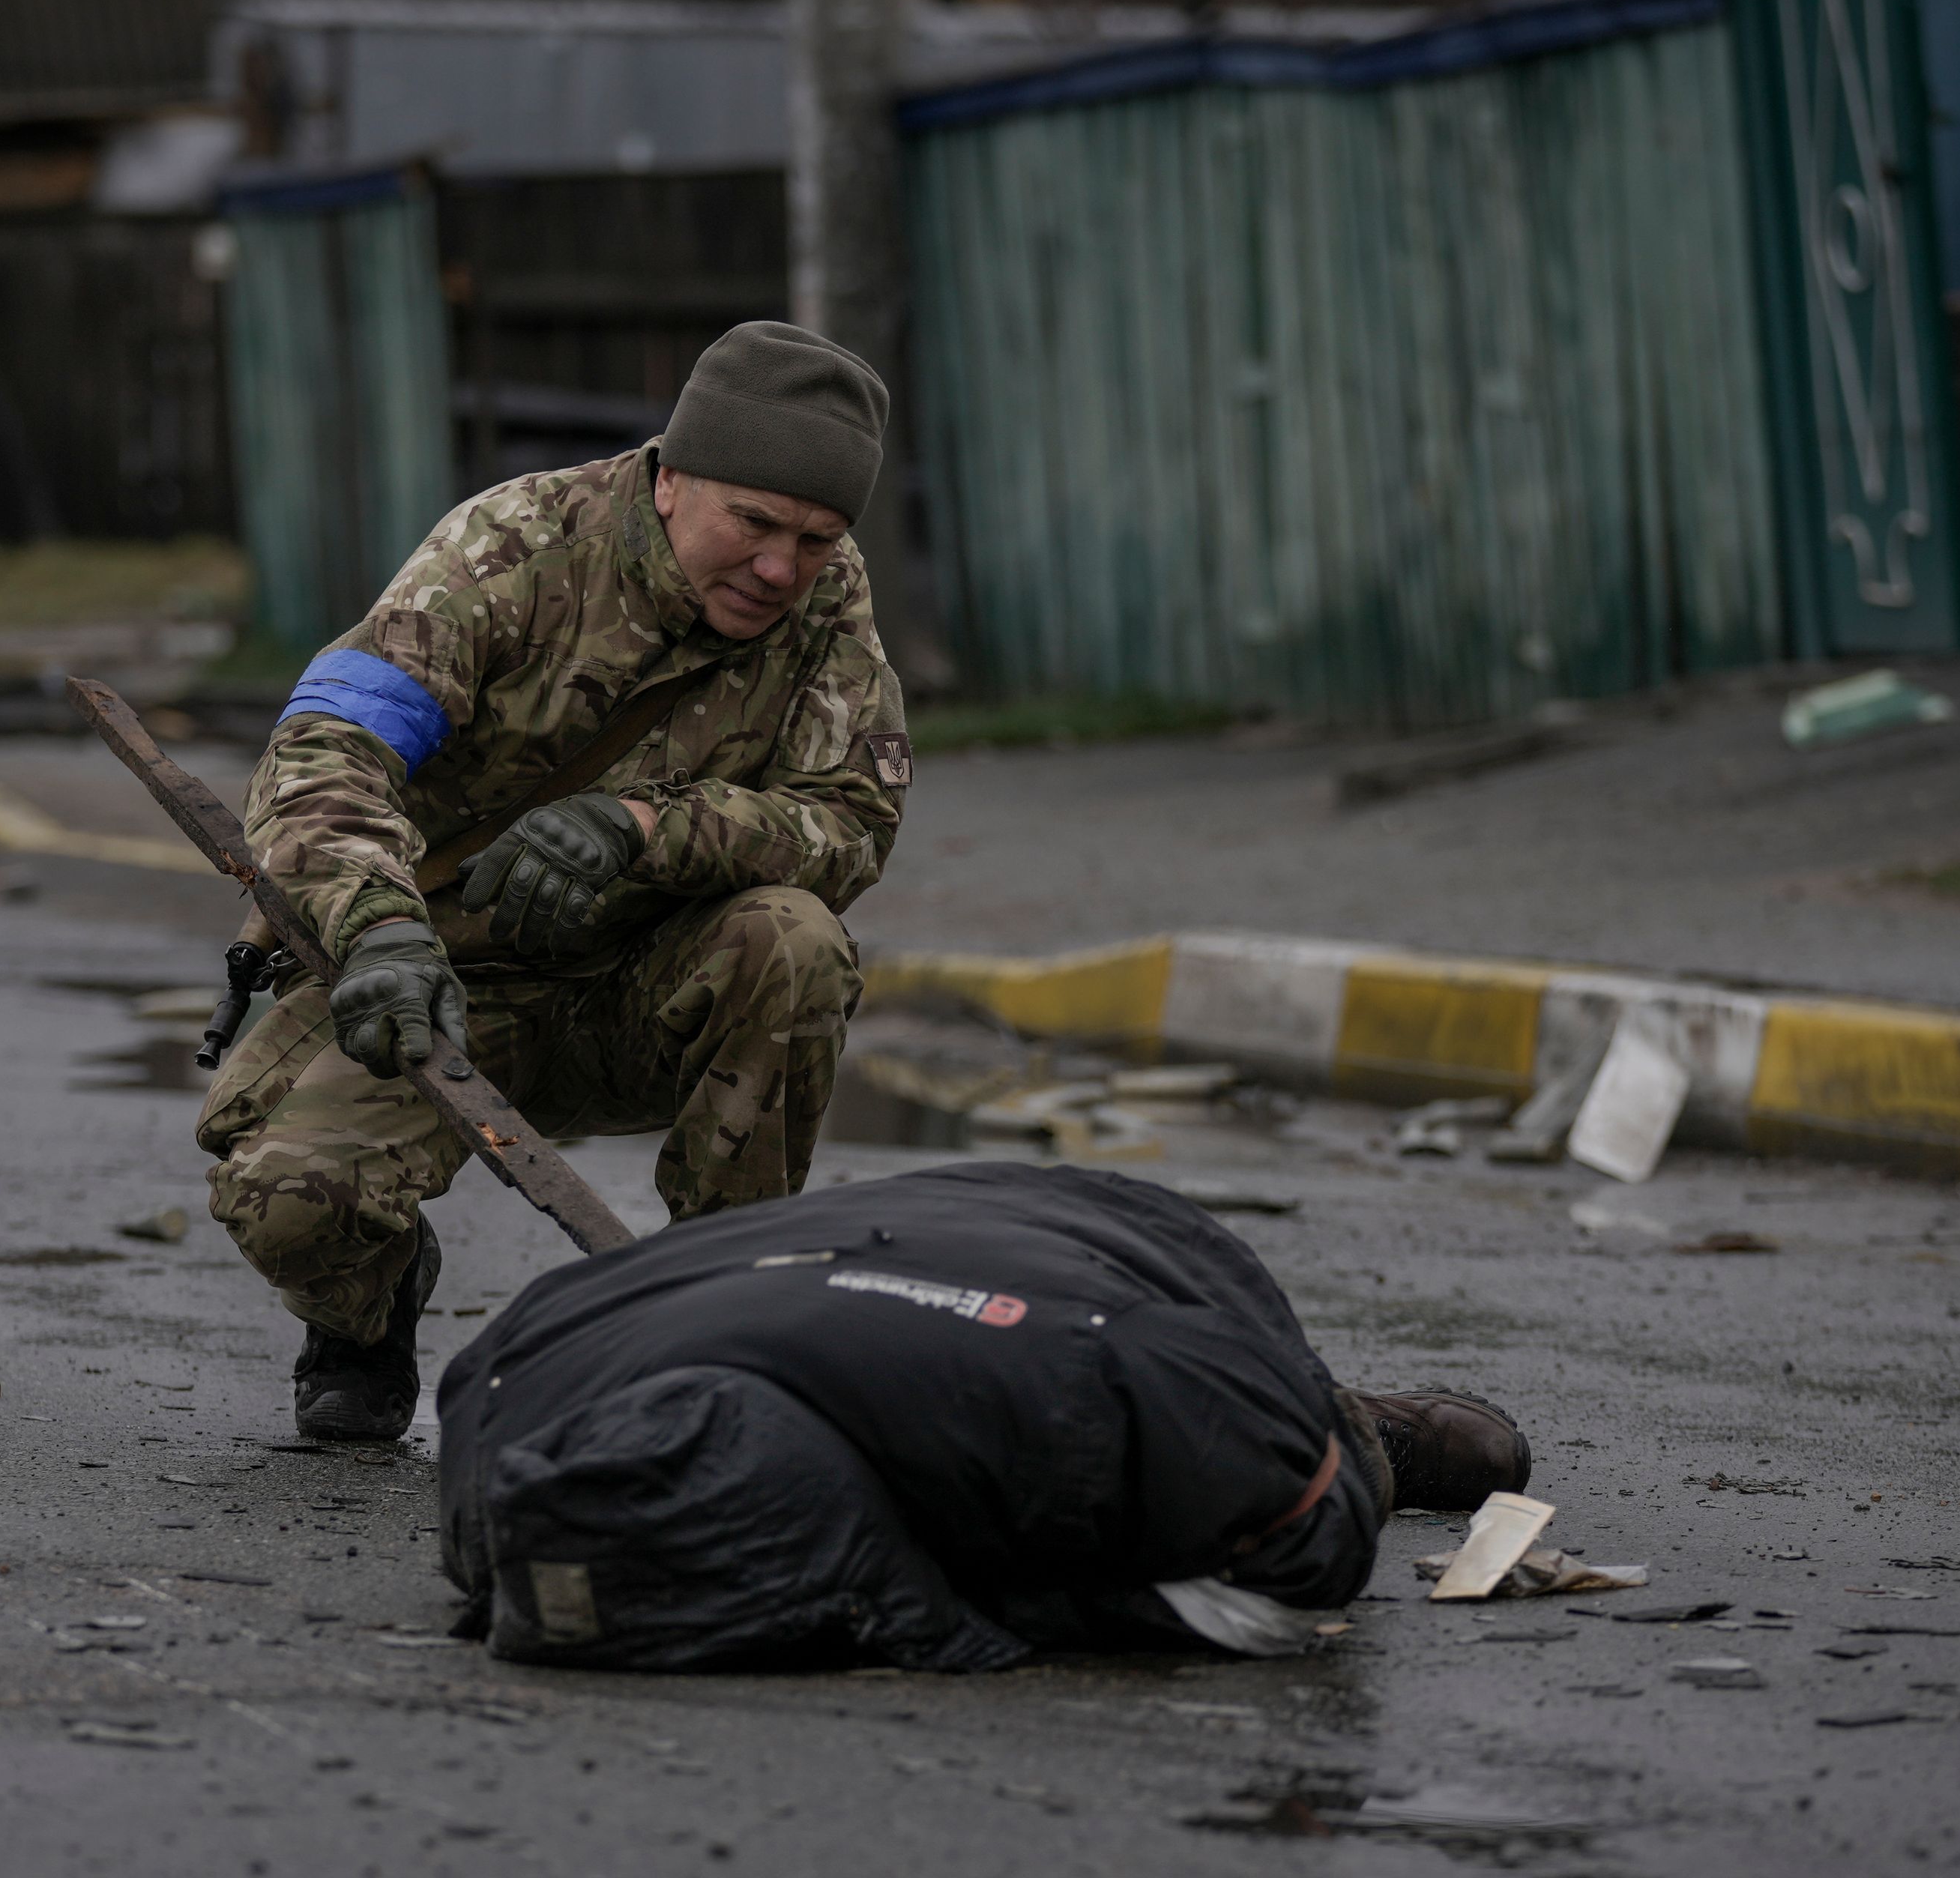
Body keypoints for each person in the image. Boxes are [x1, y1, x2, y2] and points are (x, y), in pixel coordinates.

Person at [199, 322, 913, 1441]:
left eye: (817, 539)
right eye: (757, 524)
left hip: (645, 989)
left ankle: (717, 1325)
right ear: (672, 480)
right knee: (292, 1205)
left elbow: (851, 828)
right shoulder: (512, 547)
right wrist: (379, 927)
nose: (783, 568)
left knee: (795, 939)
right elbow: (326, 748)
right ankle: (368, 1301)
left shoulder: (824, 604)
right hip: (441, 989)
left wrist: (647, 830)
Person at [437, 1163, 1534, 1670]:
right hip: (593, 1355)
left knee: (1242, 1443)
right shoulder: (600, 1437)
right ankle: (1322, 1420)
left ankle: (1329, 1417)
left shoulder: (1116, 1383)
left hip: (1050, 1264)